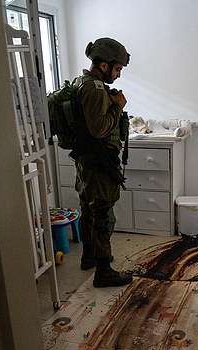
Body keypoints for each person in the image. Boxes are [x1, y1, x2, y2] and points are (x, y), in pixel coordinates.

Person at [72, 37, 132, 287]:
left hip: (87, 159)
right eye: (117, 69)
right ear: (104, 65)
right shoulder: (95, 88)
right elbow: (99, 129)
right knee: (102, 213)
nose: (118, 76)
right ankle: (104, 270)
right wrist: (117, 107)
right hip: (98, 161)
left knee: (88, 208)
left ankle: (89, 257)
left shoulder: (80, 83)